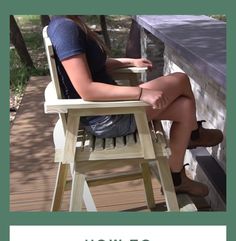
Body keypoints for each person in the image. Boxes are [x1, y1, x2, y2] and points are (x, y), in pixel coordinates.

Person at [47, 15, 223, 197]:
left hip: (109, 110)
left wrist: (129, 61)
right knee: (180, 79)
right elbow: (86, 89)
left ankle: (176, 178)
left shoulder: (66, 23)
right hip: (108, 118)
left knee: (185, 107)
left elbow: (91, 65)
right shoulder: (64, 29)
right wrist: (141, 93)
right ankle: (194, 135)